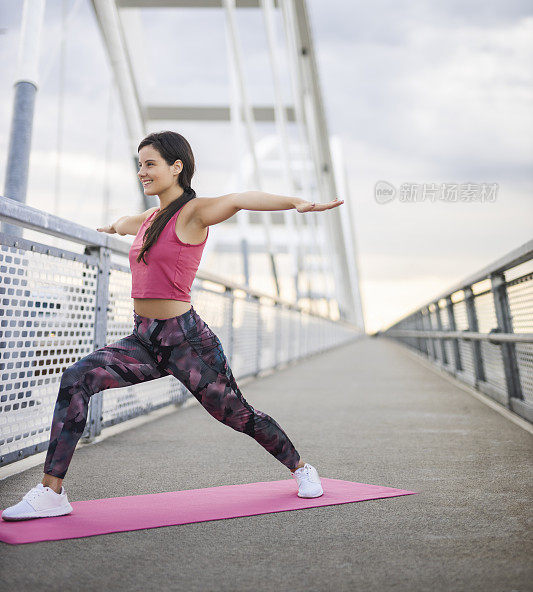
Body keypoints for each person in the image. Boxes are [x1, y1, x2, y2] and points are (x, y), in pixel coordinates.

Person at [2, 131, 344, 521]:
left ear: (176, 167)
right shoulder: (149, 218)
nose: (141, 172)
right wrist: (112, 228)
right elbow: (127, 222)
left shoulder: (194, 212)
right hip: (143, 339)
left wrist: (295, 202)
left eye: (150, 164)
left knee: (236, 414)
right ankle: (51, 493)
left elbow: (238, 199)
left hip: (187, 343)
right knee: (77, 378)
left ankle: (301, 469)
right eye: (139, 164)